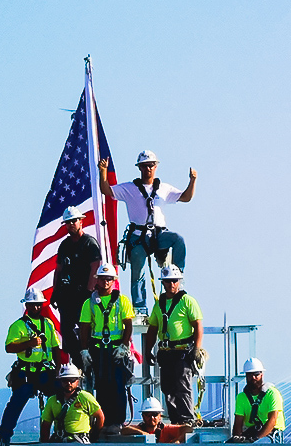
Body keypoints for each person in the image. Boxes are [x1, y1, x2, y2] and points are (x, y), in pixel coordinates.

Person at [100, 150, 197, 308]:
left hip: (159, 234)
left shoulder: (163, 188)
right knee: (138, 265)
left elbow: (186, 197)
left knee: (178, 240)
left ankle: (178, 279)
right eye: (145, 166)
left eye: (151, 165)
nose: (148, 169)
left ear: (156, 166)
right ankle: (140, 306)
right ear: (140, 168)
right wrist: (103, 172)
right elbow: (107, 190)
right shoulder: (130, 188)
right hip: (139, 235)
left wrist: (193, 181)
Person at [0, 288, 60, 446]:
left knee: (60, 398)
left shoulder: (48, 324)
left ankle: (62, 432)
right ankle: (4, 437)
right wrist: (29, 344)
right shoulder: (18, 326)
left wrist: (59, 370)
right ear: (27, 306)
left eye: (38, 305)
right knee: (17, 402)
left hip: (45, 371)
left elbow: (55, 348)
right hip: (26, 372)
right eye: (33, 305)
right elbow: (9, 348)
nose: (36, 308)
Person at [142, 265, 203, 427]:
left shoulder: (187, 301)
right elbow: (153, 328)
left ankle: (187, 420)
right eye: (168, 281)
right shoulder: (159, 303)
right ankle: (176, 420)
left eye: (174, 281)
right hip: (166, 351)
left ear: (179, 282)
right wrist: (148, 351)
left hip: (182, 350)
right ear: (163, 283)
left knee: (182, 386)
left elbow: (197, 325)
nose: (171, 284)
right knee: (167, 388)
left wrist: (196, 349)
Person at [77, 263, 135, 432]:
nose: (106, 282)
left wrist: (124, 346)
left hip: (116, 348)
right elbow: (84, 327)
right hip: (98, 348)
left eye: (109, 279)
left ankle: (118, 422)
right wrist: (84, 350)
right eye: (103, 279)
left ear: (113, 281)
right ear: (98, 280)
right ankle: (103, 421)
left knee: (118, 385)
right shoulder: (89, 303)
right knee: (101, 385)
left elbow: (128, 325)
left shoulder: (122, 301)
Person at [52, 207, 102, 359]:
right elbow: (59, 269)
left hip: (83, 294)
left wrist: (89, 291)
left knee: (85, 328)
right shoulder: (64, 245)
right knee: (66, 331)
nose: (71, 224)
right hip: (67, 295)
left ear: (81, 221)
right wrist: (55, 291)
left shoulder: (89, 243)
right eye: (68, 222)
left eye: (74, 221)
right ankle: (78, 360)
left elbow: (95, 267)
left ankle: (88, 357)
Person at [230, 358, 285, 442]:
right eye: (250, 375)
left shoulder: (272, 394)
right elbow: (238, 423)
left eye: (256, 374)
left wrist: (256, 439)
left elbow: (272, 420)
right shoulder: (241, 397)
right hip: (251, 432)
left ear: (261, 375)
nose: (253, 378)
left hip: (270, 434)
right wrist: (236, 440)